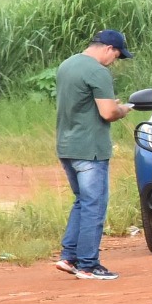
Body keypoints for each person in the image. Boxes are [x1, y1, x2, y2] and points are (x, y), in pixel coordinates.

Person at [54, 27, 130, 280]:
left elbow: (84, 104)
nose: (115, 61)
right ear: (109, 48)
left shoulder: (67, 65)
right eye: (117, 56)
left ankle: (69, 256)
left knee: (81, 201)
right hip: (90, 149)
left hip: (67, 145)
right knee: (93, 205)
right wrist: (124, 109)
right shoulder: (98, 71)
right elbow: (107, 113)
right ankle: (88, 264)